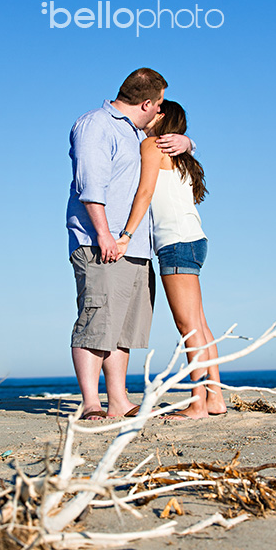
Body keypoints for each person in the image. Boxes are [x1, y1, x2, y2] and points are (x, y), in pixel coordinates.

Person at [66, 68, 192, 420]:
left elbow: (169, 153)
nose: (161, 111)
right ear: (148, 102)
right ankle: (91, 403)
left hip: (135, 247)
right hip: (100, 242)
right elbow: (89, 185)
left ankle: (118, 400)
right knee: (95, 324)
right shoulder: (97, 125)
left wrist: (188, 141)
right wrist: (104, 234)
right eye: (160, 104)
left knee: (122, 329)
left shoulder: (136, 134)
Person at [116, 100, 224, 419]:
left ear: (160, 117)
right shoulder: (182, 155)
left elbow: (145, 192)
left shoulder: (152, 146)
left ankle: (197, 403)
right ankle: (214, 398)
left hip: (175, 243)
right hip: (193, 240)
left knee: (188, 327)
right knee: (199, 324)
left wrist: (126, 234)